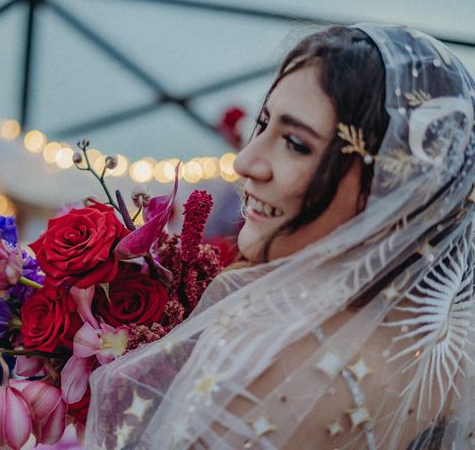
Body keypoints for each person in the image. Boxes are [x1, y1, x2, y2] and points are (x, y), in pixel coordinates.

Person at [84, 24, 475, 449]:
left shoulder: (264, 354)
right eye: (263, 123)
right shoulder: (454, 362)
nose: (246, 161)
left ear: (394, 184)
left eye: (294, 142)